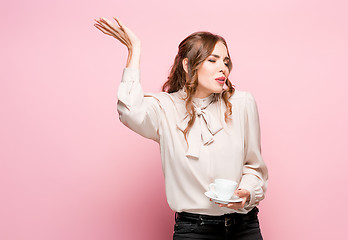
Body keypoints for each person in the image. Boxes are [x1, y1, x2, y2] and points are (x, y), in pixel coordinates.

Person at [94, 17, 269, 240]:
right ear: (187, 65)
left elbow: (254, 166)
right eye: (212, 60)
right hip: (194, 230)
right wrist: (134, 49)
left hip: (244, 227)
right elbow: (129, 112)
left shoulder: (242, 103)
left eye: (226, 61)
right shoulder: (165, 108)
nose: (222, 68)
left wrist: (246, 193)